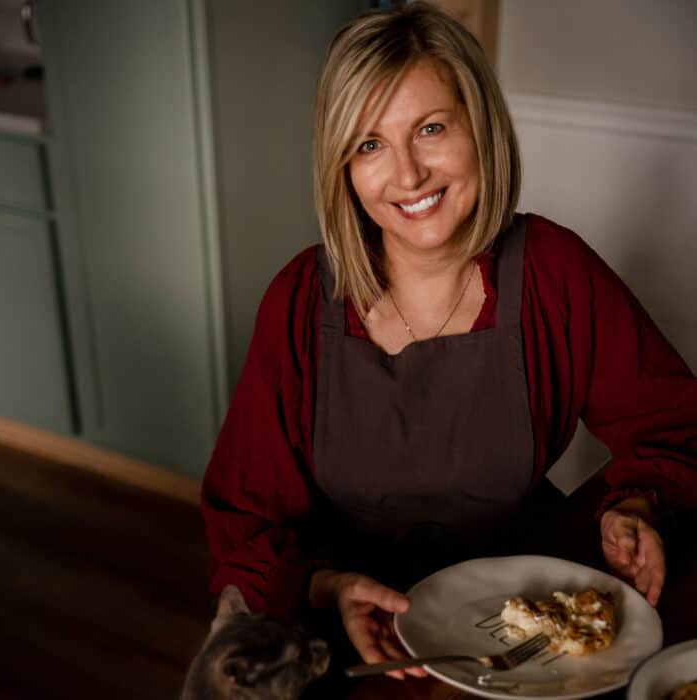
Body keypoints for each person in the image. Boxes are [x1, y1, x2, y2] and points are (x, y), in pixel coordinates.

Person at [201, 1, 697, 681]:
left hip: (517, 626)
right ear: (341, 167)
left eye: (431, 128)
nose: (406, 175)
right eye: (369, 144)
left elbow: (673, 423)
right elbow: (247, 515)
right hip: (350, 636)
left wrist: (636, 506)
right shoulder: (299, 300)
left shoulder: (553, 271)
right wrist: (325, 587)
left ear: (480, 129)